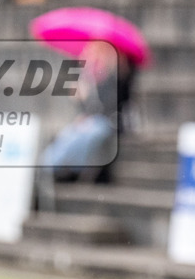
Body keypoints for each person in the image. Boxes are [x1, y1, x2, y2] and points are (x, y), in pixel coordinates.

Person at [40, 41, 134, 183]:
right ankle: (50, 164)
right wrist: (80, 99)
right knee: (68, 134)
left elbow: (113, 105)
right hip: (93, 120)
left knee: (87, 134)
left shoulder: (117, 76)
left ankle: (62, 168)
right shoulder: (91, 78)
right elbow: (88, 108)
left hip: (109, 121)